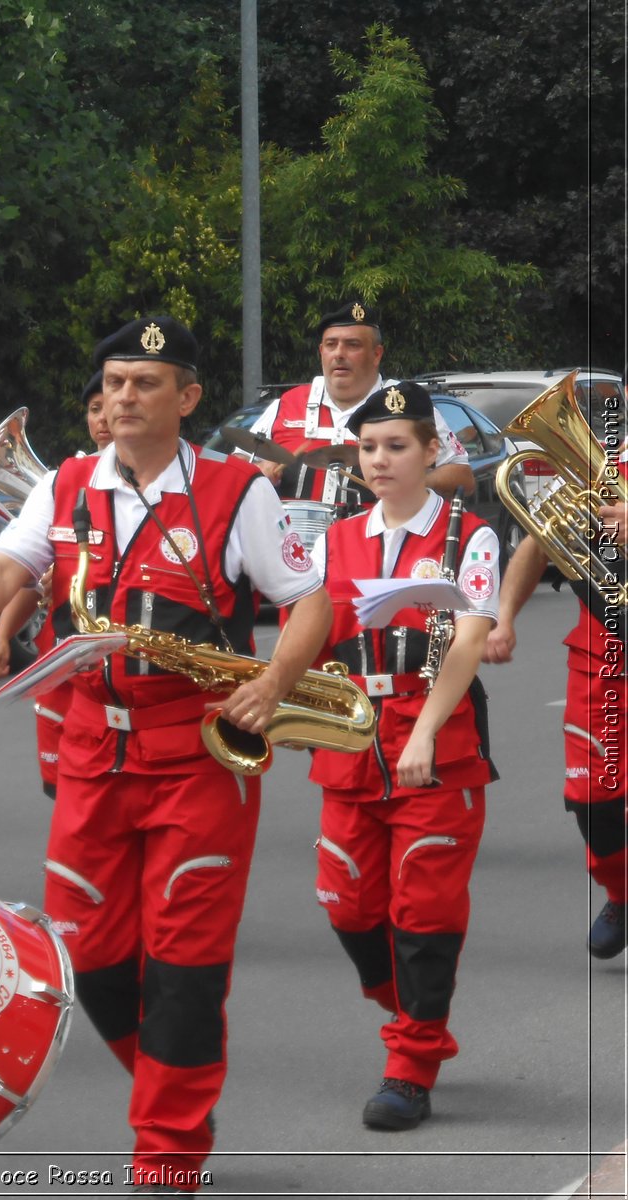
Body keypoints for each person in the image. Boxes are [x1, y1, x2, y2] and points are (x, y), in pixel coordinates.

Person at [0, 316, 330, 1193]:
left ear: (186, 398)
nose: (123, 398)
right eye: (113, 384)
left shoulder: (235, 492)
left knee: (184, 966)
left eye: (145, 384)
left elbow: (311, 602)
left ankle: (168, 1154)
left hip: (197, 753)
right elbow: (7, 566)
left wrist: (272, 686)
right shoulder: (68, 482)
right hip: (89, 752)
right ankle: (173, 1087)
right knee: (88, 958)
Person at [306, 381, 499, 1130]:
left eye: (395, 447)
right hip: (352, 743)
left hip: (435, 743)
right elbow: (315, 633)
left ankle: (410, 1066)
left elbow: (472, 637)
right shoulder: (334, 538)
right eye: (368, 448)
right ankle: (414, 1018)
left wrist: (423, 733)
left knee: (423, 909)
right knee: (350, 905)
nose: (379, 460)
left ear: (429, 452)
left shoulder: (466, 534)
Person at [485, 462, 626, 957]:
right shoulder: (595, 466)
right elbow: (541, 539)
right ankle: (621, 892)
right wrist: (503, 619)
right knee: (591, 798)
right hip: (601, 663)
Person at [0, 369, 112, 799]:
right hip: (59, 661)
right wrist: (2, 636)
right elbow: (26, 580)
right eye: (94, 410)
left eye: (108, 407)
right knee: (60, 789)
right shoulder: (63, 483)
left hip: (116, 665)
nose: (103, 418)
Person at [243, 302, 474, 501]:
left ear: (377, 355)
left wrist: (416, 483)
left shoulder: (405, 403)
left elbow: (463, 477)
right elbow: (239, 459)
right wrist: (256, 470)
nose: (339, 354)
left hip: (380, 543)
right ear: (321, 351)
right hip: (291, 543)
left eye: (353, 345)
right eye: (331, 345)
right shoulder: (287, 404)